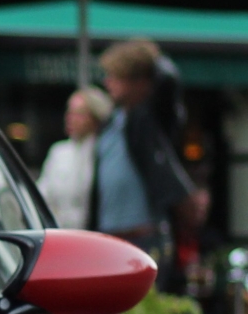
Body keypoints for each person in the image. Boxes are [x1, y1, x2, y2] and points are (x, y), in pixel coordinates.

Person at [91, 39, 195, 266]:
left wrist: (145, 59)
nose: (108, 82)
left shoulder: (148, 118)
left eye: (116, 76)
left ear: (140, 82)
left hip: (144, 235)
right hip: (110, 236)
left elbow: (168, 83)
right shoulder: (111, 121)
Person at [37, 87, 111, 229]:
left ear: (95, 118)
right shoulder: (58, 152)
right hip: (60, 233)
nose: (70, 118)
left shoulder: (104, 153)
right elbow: (43, 195)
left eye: (79, 113)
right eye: (69, 112)